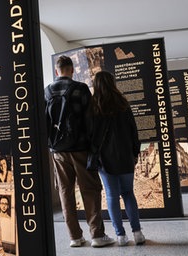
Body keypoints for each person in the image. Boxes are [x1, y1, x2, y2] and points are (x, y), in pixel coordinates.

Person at [44, 55, 114, 248]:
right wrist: (94, 147)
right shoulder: (81, 89)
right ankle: (97, 235)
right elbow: (90, 120)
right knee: (90, 190)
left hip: (57, 151)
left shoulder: (47, 91)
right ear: (71, 70)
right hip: (81, 148)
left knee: (65, 192)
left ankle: (75, 237)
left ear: (57, 71)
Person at [87, 71, 145, 246]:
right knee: (128, 193)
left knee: (112, 196)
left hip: (105, 160)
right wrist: (135, 153)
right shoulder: (123, 104)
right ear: (113, 83)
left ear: (96, 85)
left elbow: (91, 135)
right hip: (125, 157)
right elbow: (134, 131)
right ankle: (138, 233)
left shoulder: (94, 106)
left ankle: (120, 236)